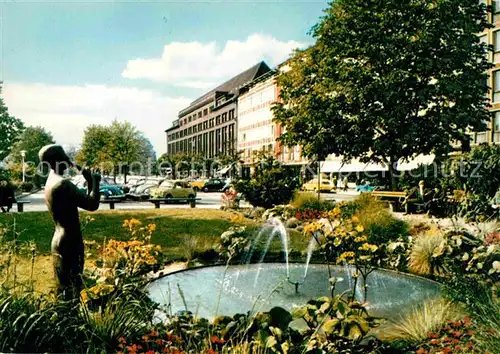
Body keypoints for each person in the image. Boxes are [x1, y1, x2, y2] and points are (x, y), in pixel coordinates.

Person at [39, 144, 101, 301]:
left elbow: (85, 201)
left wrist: (89, 183)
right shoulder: (63, 184)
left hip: (59, 239)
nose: (68, 159)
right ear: (57, 160)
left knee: (64, 289)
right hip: (70, 242)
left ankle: (65, 321)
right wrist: (94, 181)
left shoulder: (51, 181)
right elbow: (92, 205)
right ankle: (71, 322)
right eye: (64, 156)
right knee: (72, 291)